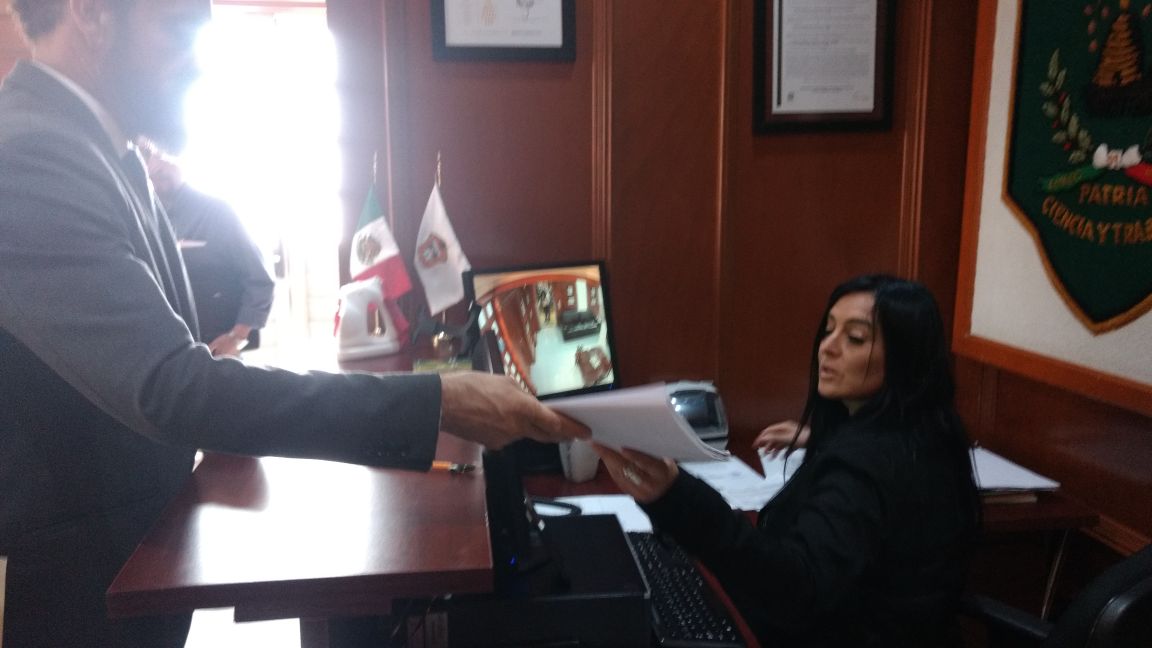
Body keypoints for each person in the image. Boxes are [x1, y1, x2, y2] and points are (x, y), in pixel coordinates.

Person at [0, 2, 587, 646]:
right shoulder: (28, 154)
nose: (199, 62)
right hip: (76, 570)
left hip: (129, 549)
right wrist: (438, 401)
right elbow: (173, 387)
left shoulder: (99, 147)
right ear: (91, 13)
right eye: (178, 28)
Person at [595, 274, 982, 647]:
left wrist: (676, 494)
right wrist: (825, 439)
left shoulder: (866, 465)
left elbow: (796, 590)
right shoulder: (925, 434)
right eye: (828, 330)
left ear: (905, 359)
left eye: (855, 338)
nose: (827, 348)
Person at [138, 139, 274, 357]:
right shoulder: (141, 220)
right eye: (150, 170)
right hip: (165, 354)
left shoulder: (217, 213)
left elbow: (259, 280)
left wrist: (236, 337)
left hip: (216, 354)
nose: (157, 172)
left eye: (162, 164)